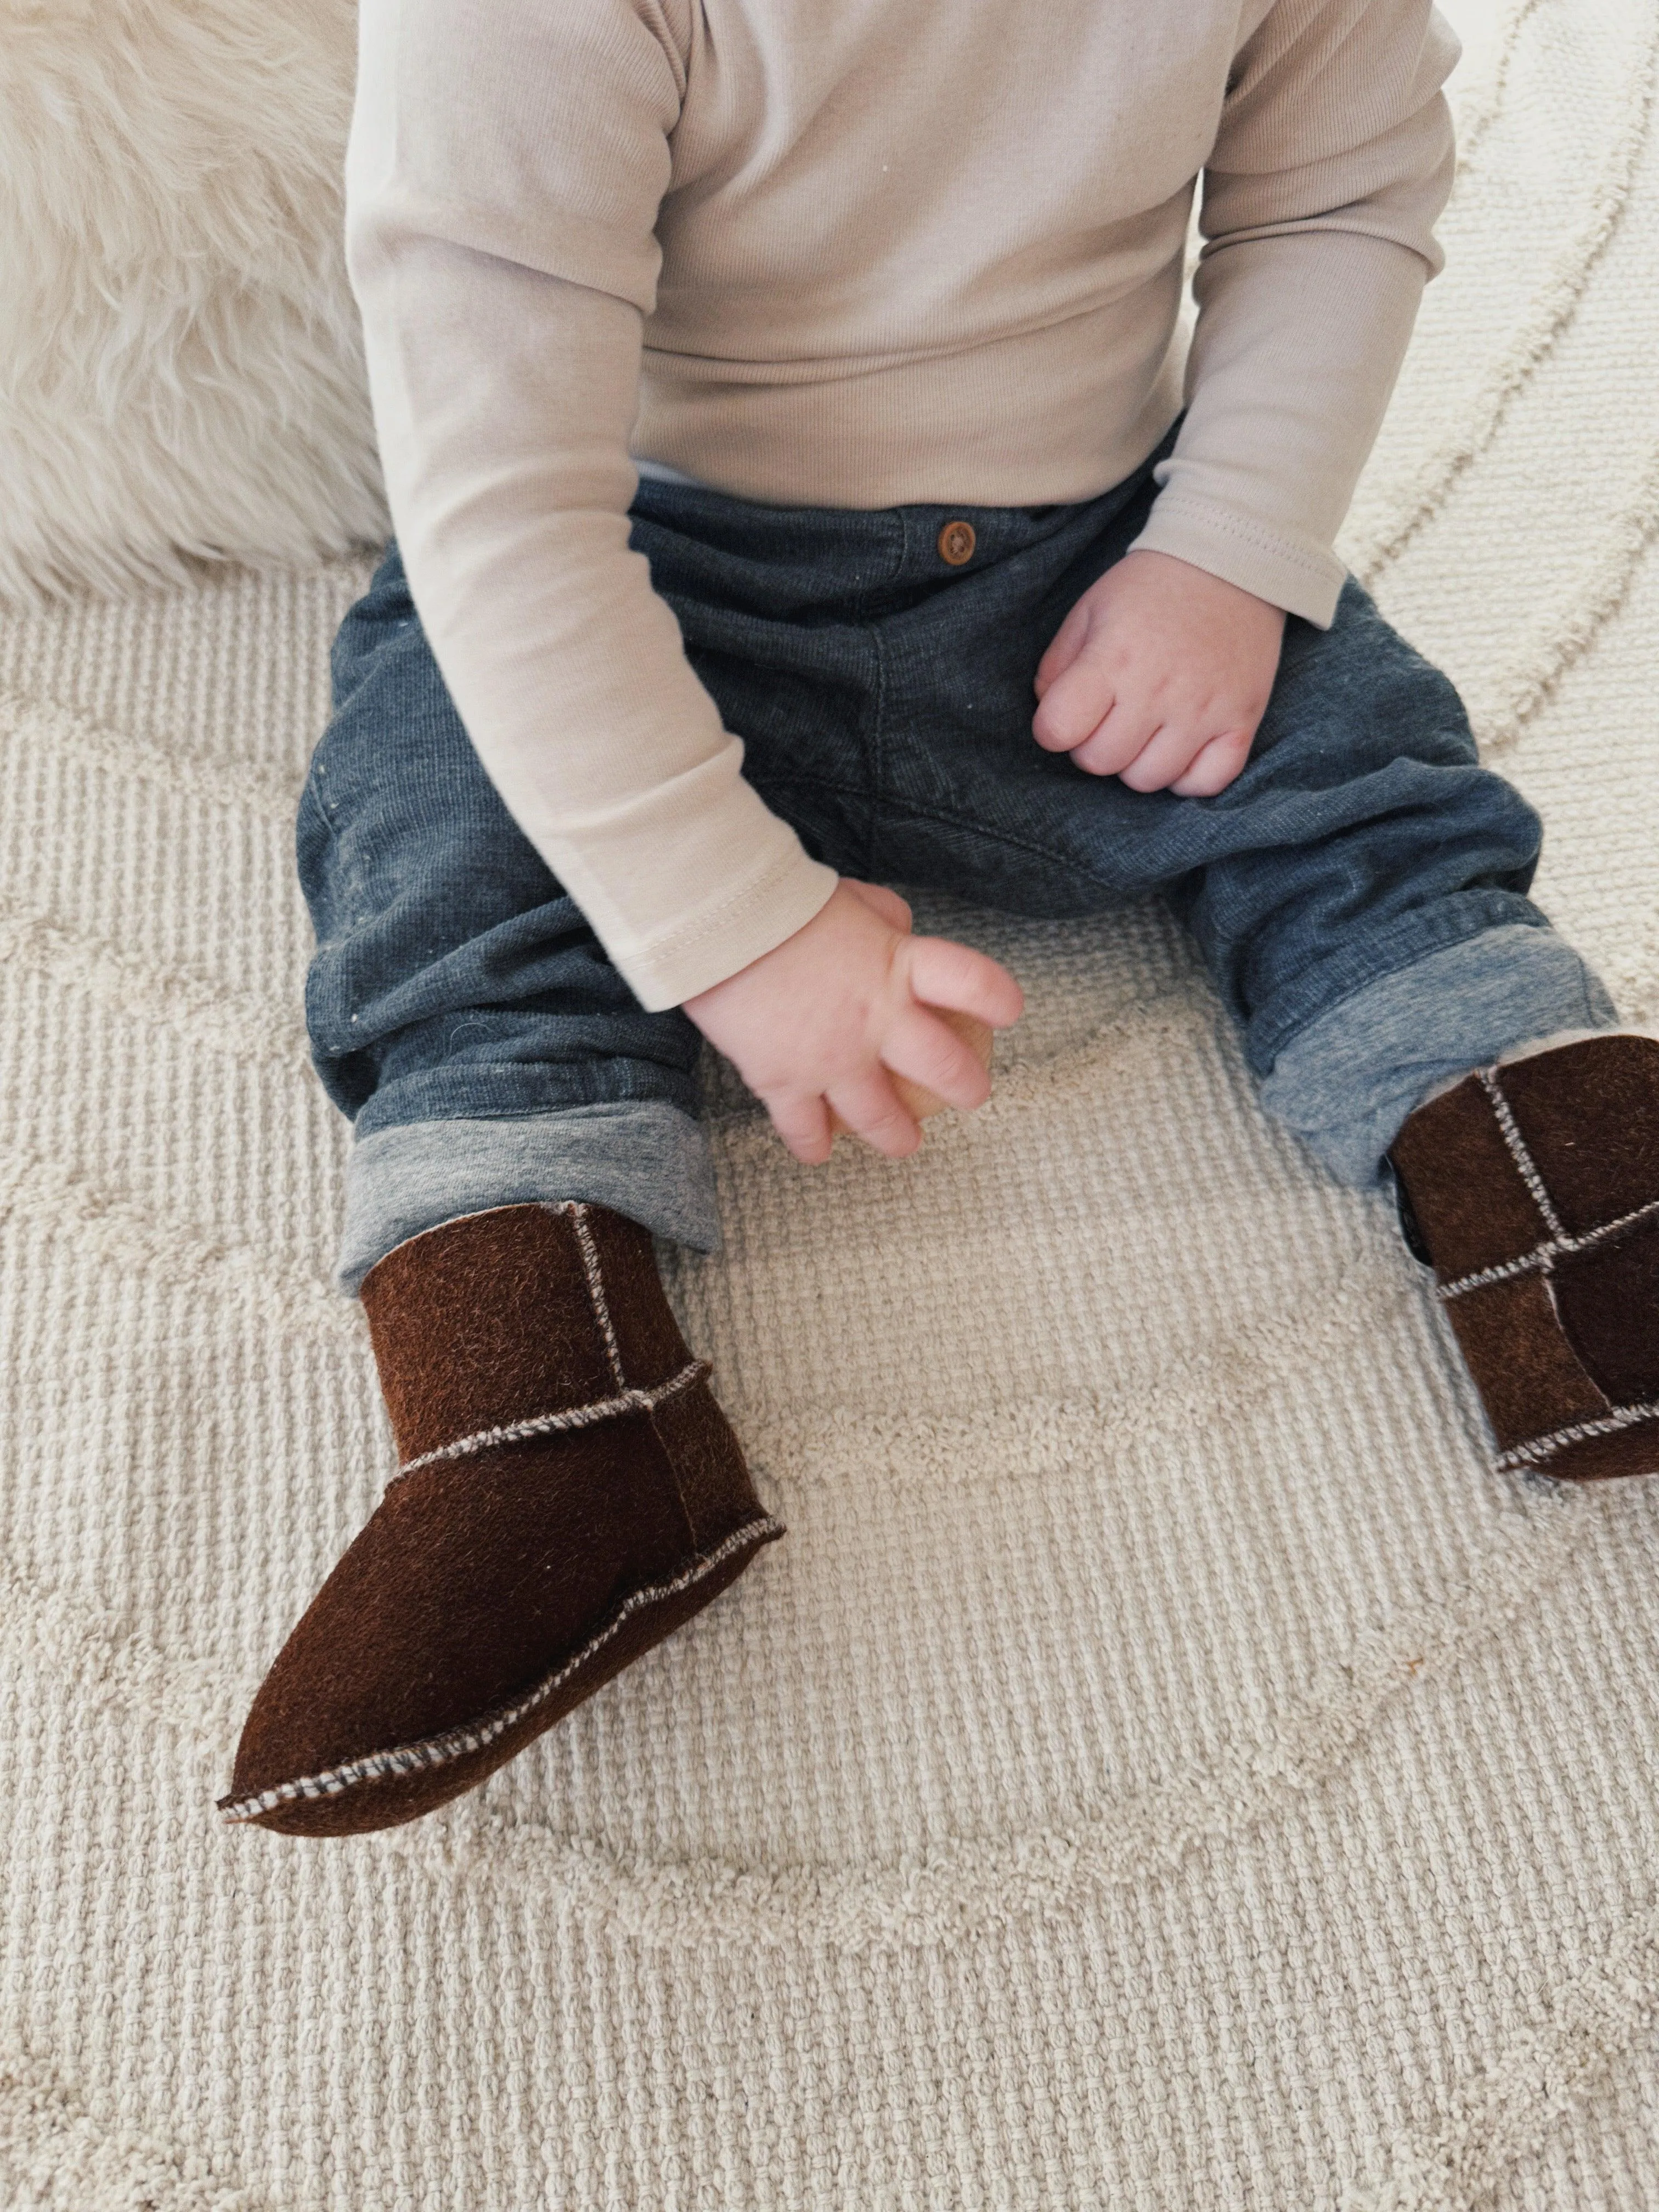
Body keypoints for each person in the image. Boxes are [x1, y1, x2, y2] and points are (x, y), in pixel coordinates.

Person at [217, 0, 1659, 1838]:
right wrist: (736, 927)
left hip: (1097, 548)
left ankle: (1578, 1212)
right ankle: (545, 1404)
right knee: (441, 830)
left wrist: (1229, 545)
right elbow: (505, 506)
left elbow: (1339, 200)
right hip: (650, 560)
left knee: (1360, 780)